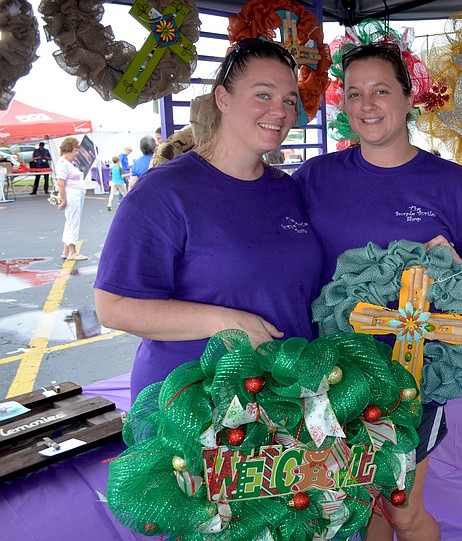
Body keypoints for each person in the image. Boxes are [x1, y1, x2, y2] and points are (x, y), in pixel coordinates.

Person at [294, 43, 462, 541]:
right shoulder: (315, 178)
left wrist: (452, 274)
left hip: (414, 375)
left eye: (381, 90)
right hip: (337, 371)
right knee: (365, 495)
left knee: (402, 503)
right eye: (354, 93)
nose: (366, 104)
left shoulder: (452, 184)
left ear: (409, 98)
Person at [94, 38, 322, 400]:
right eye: (263, 94)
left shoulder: (288, 190)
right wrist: (223, 323)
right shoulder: (165, 191)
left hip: (283, 402)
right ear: (223, 99)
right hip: (193, 407)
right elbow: (114, 307)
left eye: (289, 101)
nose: (279, 111)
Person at [54, 137, 88, 261]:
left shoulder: (67, 163)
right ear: (67, 150)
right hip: (72, 195)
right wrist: (63, 201)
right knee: (73, 222)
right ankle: (72, 251)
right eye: (75, 151)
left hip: (75, 194)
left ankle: (66, 250)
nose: (77, 153)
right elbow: (61, 184)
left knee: (70, 222)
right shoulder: (63, 164)